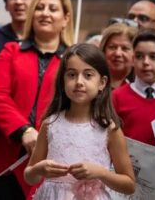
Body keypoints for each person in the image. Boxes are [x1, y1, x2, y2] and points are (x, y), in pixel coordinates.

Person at [0, 0, 75, 199]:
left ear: (66, 18)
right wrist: (24, 131)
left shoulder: (73, 60)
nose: (45, 13)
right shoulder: (11, 51)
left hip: (52, 163)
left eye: (53, 9)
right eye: (40, 8)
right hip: (2, 161)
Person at [24, 43, 135, 198]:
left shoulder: (109, 129)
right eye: (71, 74)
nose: (79, 82)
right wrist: (39, 169)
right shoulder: (50, 124)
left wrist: (101, 173)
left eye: (88, 75)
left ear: (102, 83)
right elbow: (29, 177)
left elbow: (129, 184)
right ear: (63, 81)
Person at [112, 28, 155, 147]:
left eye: (153, 56)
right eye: (139, 56)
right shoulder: (117, 97)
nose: (146, 62)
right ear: (132, 60)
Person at [99, 23, 137, 90]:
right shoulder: (91, 87)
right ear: (103, 51)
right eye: (112, 47)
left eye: (125, 48)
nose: (118, 53)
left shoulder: (138, 92)